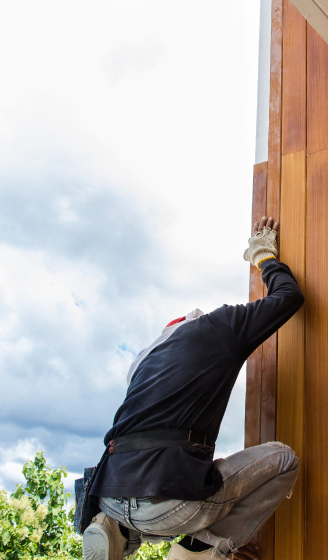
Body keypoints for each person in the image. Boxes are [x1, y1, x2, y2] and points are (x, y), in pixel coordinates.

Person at [82, 216, 304, 560]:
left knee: (165, 483)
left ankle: (117, 530)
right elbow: (288, 296)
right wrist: (263, 255)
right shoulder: (219, 325)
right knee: (283, 459)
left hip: (109, 492)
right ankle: (198, 550)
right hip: (170, 502)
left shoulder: (142, 362)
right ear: (196, 318)